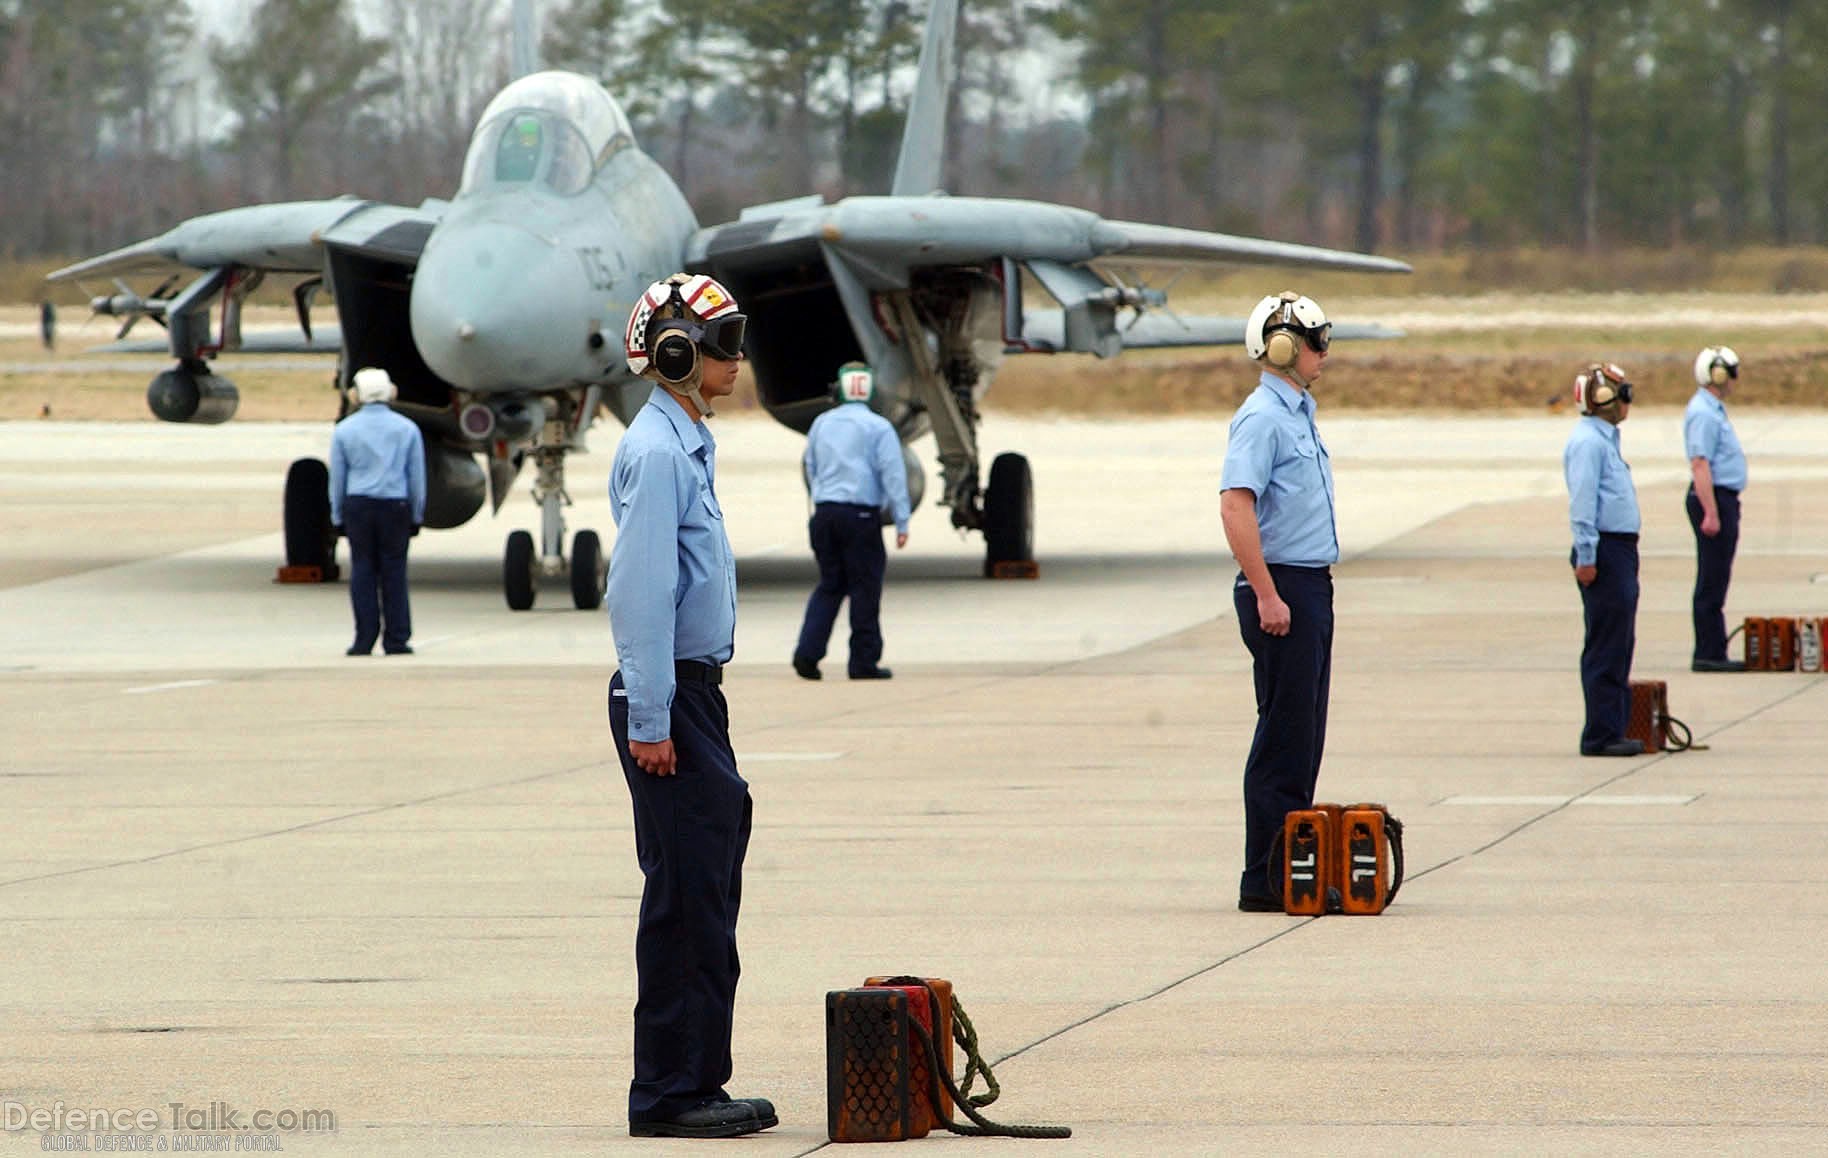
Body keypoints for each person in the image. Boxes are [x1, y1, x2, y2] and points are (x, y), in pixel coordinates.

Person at [605, 273, 777, 1140]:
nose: (736, 357)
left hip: (687, 695)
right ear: (675, 352)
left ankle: (696, 1078)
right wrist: (651, 717)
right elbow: (640, 594)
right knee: (686, 899)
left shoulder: (685, 444)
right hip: (668, 696)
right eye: (722, 341)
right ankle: (672, 1091)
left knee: (704, 886)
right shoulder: (662, 453)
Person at [1219, 291, 1339, 912]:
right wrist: (1266, 593)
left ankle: (1291, 870)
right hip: (1282, 588)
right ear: (1284, 348)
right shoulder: (1263, 417)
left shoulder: (1297, 413)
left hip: (1307, 584)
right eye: (1316, 342)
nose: (1324, 353)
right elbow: (1235, 505)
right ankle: (1263, 880)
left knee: (1304, 734)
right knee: (1282, 738)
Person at [791, 362, 912, 681]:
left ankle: (807, 653)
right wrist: (901, 521)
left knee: (830, 585)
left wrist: (822, 499)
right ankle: (863, 661)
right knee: (865, 588)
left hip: (825, 514)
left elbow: (811, 465)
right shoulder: (879, 427)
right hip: (860, 517)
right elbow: (893, 474)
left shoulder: (821, 423)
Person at [1564, 362, 1644, 757]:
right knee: (1606, 644)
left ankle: (1614, 727)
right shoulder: (1589, 444)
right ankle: (1600, 734)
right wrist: (1588, 554)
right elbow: (1582, 505)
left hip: (1619, 550)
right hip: (1605, 552)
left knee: (1620, 642)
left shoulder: (1605, 439)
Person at [328, 367, 425, 657]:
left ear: (356, 395)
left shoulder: (344, 430)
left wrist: (337, 516)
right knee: (394, 572)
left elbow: (338, 479)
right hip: (394, 506)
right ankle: (397, 638)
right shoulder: (407, 429)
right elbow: (416, 478)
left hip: (358, 505)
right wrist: (417, 514)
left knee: (363, 570)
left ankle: (364, 638)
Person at [1685, 346, 1748, 672]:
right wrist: (1711, 511)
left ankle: (1713, 648)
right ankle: (1708, 652)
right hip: (1713, 499)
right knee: (1712, 578)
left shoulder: (1713, 410)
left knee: (1717, 576)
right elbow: (1700, 464)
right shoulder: (1703, 413)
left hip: (1721, 498)